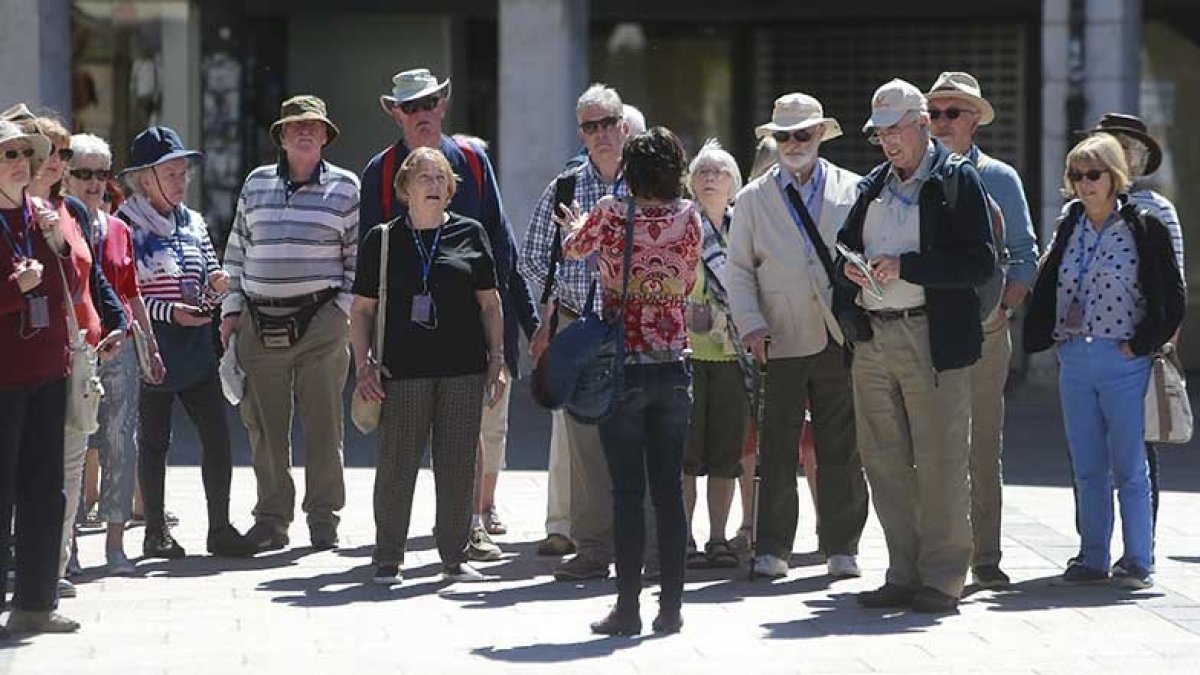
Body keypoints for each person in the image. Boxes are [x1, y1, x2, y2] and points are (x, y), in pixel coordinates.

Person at [833, 79, 996, 613]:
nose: (887, 141)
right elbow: (844, 248)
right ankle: (903, 571)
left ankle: (944, 578)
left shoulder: (957, 178)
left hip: (932, 336)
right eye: (879, 133)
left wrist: (909, 266)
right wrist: (850, 272)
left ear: (923, 125)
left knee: (941, 459)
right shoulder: (873, 184)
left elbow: (980, 263)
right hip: (873, 335)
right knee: (882, 460)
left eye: (895, 130)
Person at [362, 68, 538, 561]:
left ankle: (470, 528)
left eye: (429, 103)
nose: (421, 113)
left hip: (467, 332)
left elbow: (502, 249)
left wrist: (525, 330)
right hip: (404, 342)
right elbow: (367, 267)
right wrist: (367, 355)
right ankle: (390, 549)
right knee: (399, 449)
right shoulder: (380, 171)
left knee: (469, 438)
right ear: (396, 113)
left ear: (443, 105)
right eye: (410, 106)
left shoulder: (474, 162)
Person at [1023, 134, 1183, 589]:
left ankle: (1138, 560)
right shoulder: (1068, 223)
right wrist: (1051, 335)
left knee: (1130, 465)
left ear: (1115, 177)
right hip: (1075, 356)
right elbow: (1048, 280)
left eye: (1094, 174)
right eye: (1076, 175)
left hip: (1123, 357)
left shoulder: (1143, 225)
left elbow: (1171, 297)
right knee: (1087, 465)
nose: (1084, 183)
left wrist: (1141, 344)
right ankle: (1092, 556)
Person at [560, 126, 701, 636]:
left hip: (623, 365)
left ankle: (628, 608)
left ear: (630, 173)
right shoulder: (690, 217)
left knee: (626, 492)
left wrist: (578, 223)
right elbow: (688, 280)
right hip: (674, 362)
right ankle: (672, 607)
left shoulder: (612, 212)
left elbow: (573, 250)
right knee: (669, 490)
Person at [725, 93, 869, 580]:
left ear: (821, 135)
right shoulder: (751, 198)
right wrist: (750, 323)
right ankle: (772, 548)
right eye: (783, 135)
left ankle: (842, 545)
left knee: (841, 445)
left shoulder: (853, 188)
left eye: (803, 134)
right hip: (777, 334)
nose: (793, 144)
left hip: (837, 332)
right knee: (777, 446)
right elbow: (738, 270)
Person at [351, 147, 506, 586]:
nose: (434, 185)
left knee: (458, 464)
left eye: (441, 179)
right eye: (425, 177)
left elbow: (490, 304)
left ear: (451, 189)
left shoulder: (471, 233)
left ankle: (454, 556)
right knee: (396, 465)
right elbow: (361, 310)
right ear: (405, 188)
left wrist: (496, 360)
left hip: (463, 369)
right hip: (402, 372)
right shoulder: (383, 240)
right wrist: (363, 365)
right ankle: (388, 558)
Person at [219, 95, 359, 553]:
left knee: (324, 425)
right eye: (295, 126)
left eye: (313, 127)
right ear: (281, 137)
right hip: (258, 320)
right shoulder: (255, 183)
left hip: (322, 321)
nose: (304, 132)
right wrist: (231, 310)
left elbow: (357, 259)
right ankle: (272, 519)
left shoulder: (346, 187)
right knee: (263, 428)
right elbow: (236, 249)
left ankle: (323, 517)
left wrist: (340, 311)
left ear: (325, 137)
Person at [116, 126, 254, 560]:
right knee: (154, 440)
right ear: (144, 179)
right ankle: (155, 531)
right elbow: (124, 292)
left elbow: (209, 275)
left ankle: (220, 528)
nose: (181, 182)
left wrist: (215, 290)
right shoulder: (125, 225)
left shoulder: (193, 221)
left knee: (217, 434)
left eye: (183, 173)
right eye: (170, 174)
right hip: (151, 345)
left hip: (194, 344)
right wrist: (168, 312)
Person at [925, 71, 1039, 589]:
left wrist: (1004, 310)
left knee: (982, 446)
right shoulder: (913, 174)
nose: (941, 122)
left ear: (974, 119)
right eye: (934, 113)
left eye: (953, 113)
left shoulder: (999, 177)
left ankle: (985, 556)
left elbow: (1024, 253)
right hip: (924, 330)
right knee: (928, 447)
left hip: (985, 330)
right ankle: (932, 555)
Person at [8, 109, 127, 599]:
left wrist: (117, 320)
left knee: (64, 470)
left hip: (71, 354)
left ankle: (49, 577)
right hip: (17, 362)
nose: (55, 161)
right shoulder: (14, 212)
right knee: (21, 473)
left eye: (61, 152)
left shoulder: (64, 212)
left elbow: (86, 276)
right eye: (47, 152)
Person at [520, 83, 631, 580]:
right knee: (583, 443)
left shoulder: (646, 183)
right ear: (581, 134)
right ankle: (593, 549)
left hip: (635, 324)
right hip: (576, 324)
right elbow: (532, 259)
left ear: (624, 126)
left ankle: (642, 544)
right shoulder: (563, 188)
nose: (601, 133)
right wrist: (550, 315)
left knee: (637, 434)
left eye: (608, 123)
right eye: (591, 126)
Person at [1083, 113, 1183, 574]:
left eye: (1121, 149)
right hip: (1087, 348)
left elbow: (1173, 286)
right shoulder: (1081, 207)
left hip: (1136, 348)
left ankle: (1139, 549)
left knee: (1137, 453)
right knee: (1088, 453)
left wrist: (1154, 344)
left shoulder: (1156, 209)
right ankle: (1093, 549)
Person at [63, 132, 166, 575]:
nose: (93, 182)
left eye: (101, 173)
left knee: (122, 441)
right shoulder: (57, 223)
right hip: (75, 347)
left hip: (120, 346)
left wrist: (149, 344)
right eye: (83, 173)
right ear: (65, 175)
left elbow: (131, 291)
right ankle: (67, 546)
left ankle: (115, 544)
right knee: (72, 445)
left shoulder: (119, 228)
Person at [0, 120, 80, 635]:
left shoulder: (41, 214)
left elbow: (69, 284)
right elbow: (23, 290)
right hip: (4, 378)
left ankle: (35, 603)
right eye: (8, 154)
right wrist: (15, 289)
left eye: (24, 153)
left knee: (45, 491)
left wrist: (58, 243)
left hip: (48, 370)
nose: (20, 162)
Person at [681, 139, 750, 569]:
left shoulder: (745, 226)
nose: (710, 178)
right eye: (702, 171)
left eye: (719, 171)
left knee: (727, 454)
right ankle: (683, 537)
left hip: (732, 355)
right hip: (687, 352)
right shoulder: (679, 224)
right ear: (691, 181)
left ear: (734, 182)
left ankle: (719, 538)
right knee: (685, 454)